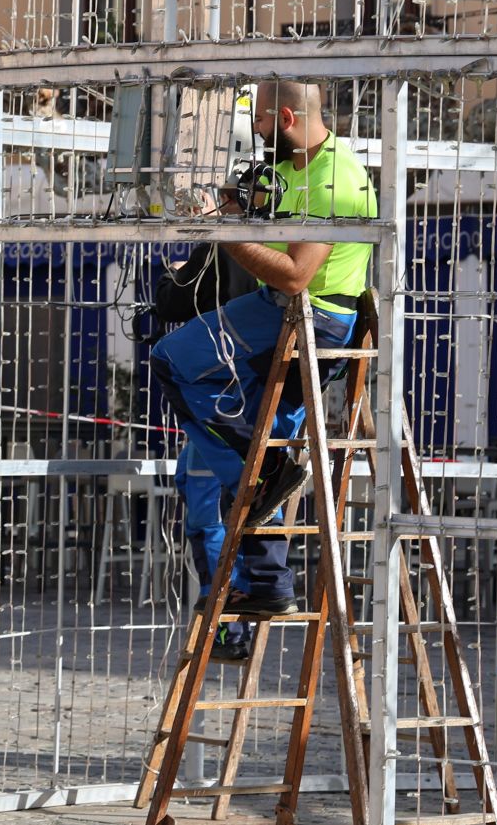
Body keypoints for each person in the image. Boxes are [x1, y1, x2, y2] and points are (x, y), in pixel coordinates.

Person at [151, 80, 377, 627]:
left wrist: (224, 233)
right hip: (281, 309)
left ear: (287, 118)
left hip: (311, 317)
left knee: (172, 362)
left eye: (260, 124)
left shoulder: (333, 178)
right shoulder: (294, 166)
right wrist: (235, 209)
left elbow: (298, 276)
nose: (255, 135)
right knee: (252, 438)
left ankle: (268, 470)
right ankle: (270, 584)